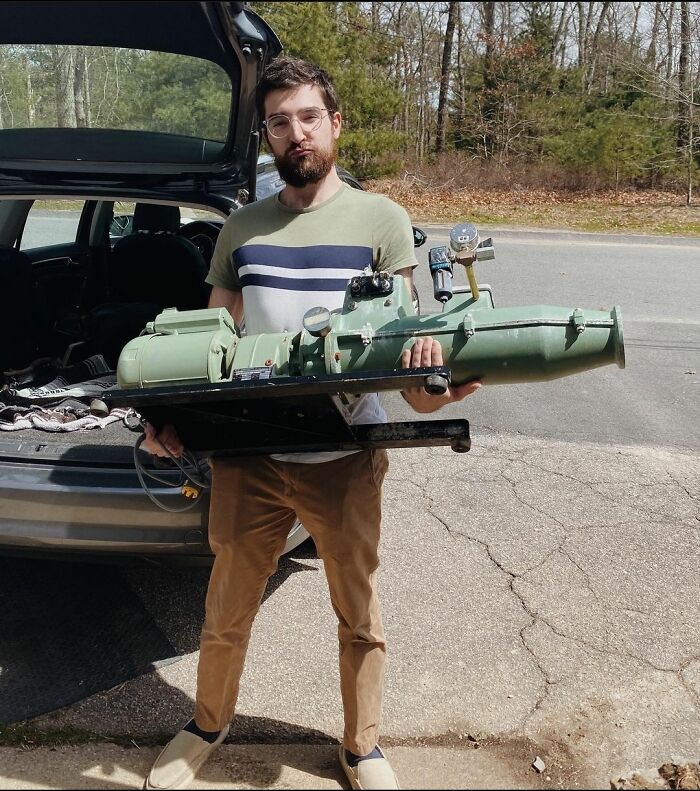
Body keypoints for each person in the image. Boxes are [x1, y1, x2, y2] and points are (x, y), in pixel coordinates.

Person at [144, 57, 480, 791]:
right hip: (249, 457)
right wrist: (165, 419)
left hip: (348, 457)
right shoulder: (241, 228)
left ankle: (361, 747)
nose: (294, 133)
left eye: (306, 117)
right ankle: (207, 723)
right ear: (264, 134)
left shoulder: (383, 221)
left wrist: (440, 388)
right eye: (278, 121)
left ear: (335, 123)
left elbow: (404, 358)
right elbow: (205, 343)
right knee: (226, 606)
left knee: (357, 608)